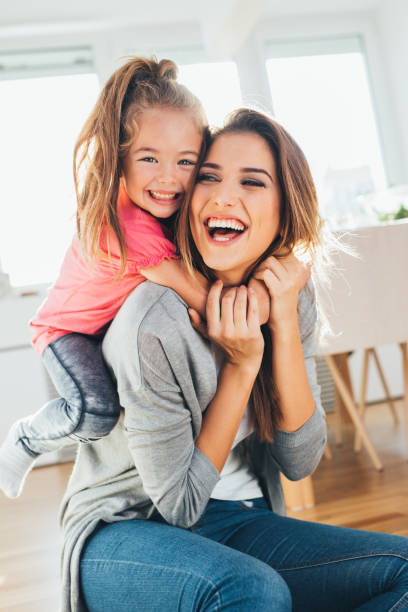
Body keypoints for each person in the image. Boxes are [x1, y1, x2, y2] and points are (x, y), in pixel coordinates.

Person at [61, 108, 408, 612]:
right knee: (250, 590)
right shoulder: (154, 320)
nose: (224, 196)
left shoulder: (289, 294)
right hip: (125, 529)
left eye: (252, 182)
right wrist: (241, 366)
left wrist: (285, 323)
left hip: (237, 519)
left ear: (286, 209)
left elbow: (299, 460)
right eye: (208, 177)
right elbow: (179, 506)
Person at [0, 57, 212, 499]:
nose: (168, 178)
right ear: (120, 158)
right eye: (149, 157)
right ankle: (26, 437)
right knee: (95, 412)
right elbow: (194, 291)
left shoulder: (161, 211)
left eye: (186, 161)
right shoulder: (128, 226)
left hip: (105, 327)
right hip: (67, 332)